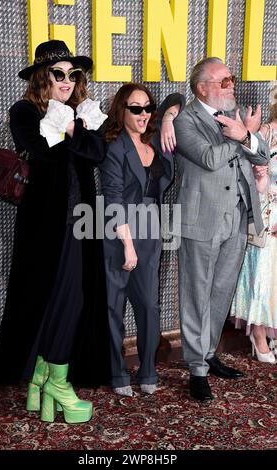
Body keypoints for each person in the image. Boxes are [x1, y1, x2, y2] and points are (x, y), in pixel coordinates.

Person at [0, 40, 110, 423]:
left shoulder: (83, 112)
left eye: (73, 74)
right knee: (55, 297)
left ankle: (46, 379)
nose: (67, 80)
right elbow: (45, 153)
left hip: (82, 220)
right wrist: (71, 130)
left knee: (76, 298)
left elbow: (97, 154)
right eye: (59, 73)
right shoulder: (24, 111)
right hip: (46, 224)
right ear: (43, 76)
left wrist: (73, 127)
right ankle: (53, 381)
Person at [160, 57, 270, 401]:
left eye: (231, 79)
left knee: (221, 291)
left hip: (237, 217)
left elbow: (263, 155)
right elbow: (207, 157)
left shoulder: (233, 114)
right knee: (196, 293)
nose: (231, 85)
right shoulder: (183, 119)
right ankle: (196, 369)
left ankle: (208, 355)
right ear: (201, 87)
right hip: (200, 220)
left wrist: (246, 135)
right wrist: (239, 137)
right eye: (223, 81)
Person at [100, 83, 184, 396]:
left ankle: (148, 368)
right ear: (121, 111)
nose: (143, 114)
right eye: (136, 108)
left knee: (149, 305)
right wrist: (128, 245)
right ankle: (118, 374)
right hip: (118, 233)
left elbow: (179, 100)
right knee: (114, 305)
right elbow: (113, 198)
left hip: (151, 232)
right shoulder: (113, 147)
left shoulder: (157, 142)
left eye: (148, 107)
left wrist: (167, 119)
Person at [230, 83, 277, 363]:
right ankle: (258, 334)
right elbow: (248, 172)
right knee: (262, 272)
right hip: (266, 212)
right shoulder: (266, 132)